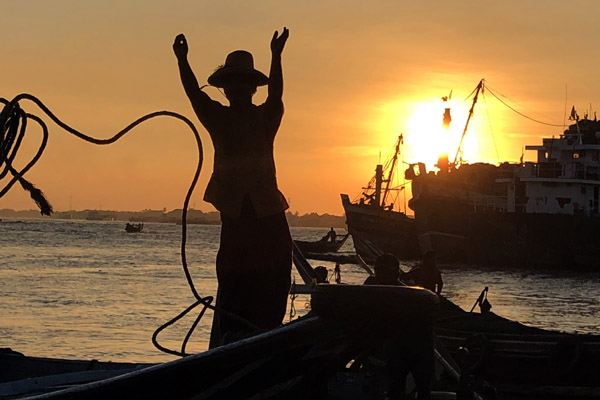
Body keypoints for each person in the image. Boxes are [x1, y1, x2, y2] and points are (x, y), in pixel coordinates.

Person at [173, 28, 292, 348]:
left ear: (251, 88)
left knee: (277, 272)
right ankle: (234, 337)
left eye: (243, 83)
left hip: (266, 211)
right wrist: (182, 61)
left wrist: (276, 57)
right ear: (226, 89)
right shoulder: (218, 118)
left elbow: (277, 95)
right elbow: (194, 95)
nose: (237, 89)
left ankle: (263, 333)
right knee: (233, 277)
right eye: (232, 83)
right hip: (238, 213)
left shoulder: (266, 117)